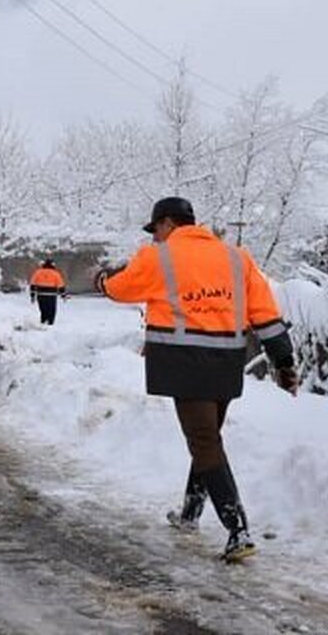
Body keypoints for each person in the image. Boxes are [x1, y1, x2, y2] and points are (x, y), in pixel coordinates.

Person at [93, 197, 298, 563]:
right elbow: (265, 314)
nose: (155, 237)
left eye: (156, 229)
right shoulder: (238, 258)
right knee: (208, 439)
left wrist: (102, 282)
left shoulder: (158, 257)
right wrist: (285, 362)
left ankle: (239, 531)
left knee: (203, 441)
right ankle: (190, 514)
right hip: (226, 363)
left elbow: (122, 289)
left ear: (168, 224)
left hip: (184, 362)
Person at [29, 259, 66, 325]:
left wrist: (32, 295)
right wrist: (63, 295)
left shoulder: (38, 272)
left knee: (43, 310)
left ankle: (43, 322)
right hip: (51, 295)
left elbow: (32, 284)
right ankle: (50, 324)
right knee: (51, 311)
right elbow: (61, 285)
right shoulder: (56, 273)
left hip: (40, 294)